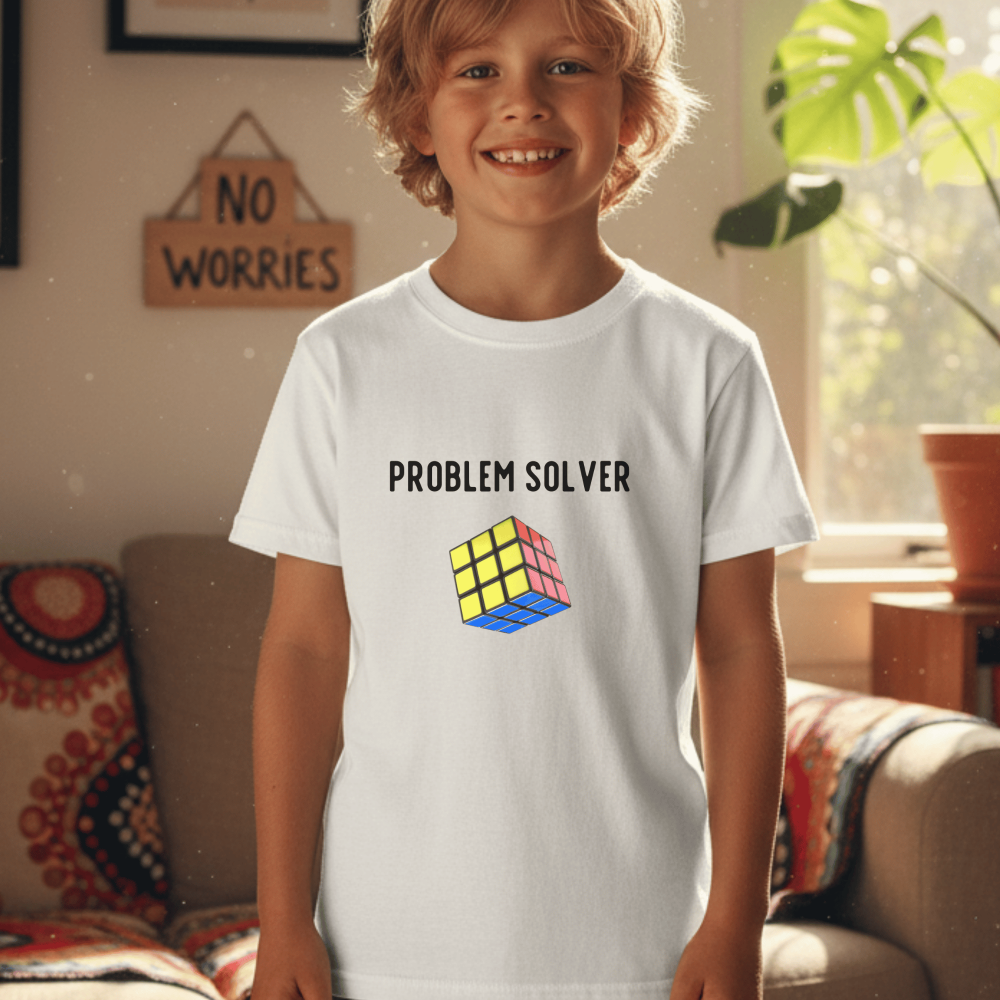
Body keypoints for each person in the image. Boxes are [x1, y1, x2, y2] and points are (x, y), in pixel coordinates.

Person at [229, 0, 819, 998]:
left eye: (566, 69)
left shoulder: (707, 361)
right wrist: (283, 921)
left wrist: (734, 922)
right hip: (386, 936)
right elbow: (302, 650)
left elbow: (737, 648)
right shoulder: (343, 361)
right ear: (415, 115)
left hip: (641, 937)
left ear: (630, 111)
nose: (522, 105)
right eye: (475, 73)